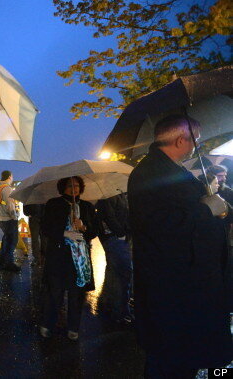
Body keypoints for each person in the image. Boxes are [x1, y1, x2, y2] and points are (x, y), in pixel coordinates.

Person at [128, 114, 233, 378]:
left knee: (184, 356)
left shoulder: (173, 169)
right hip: (175, 289)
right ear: (180, 139)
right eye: (195, 140)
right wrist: (205, 210)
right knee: (170, 359)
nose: (197, 145)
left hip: (190, 283)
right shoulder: (150, 172)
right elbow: (156, 225)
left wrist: (212, 202)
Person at [39, 176, 97, 341]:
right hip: (59, 257)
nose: (74, 188)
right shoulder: (53, 204)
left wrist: (83, 227)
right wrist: (64, 233)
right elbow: (45, 228)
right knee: (55, 293)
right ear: (63, 187)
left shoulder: (86, 206)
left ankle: (73, 328)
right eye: (70, 185)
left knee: (76, 295)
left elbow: (94, 231)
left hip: (80, 260)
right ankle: (47, 325)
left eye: (77, 185)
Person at [95, 193, 132, 324]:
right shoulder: (108, 195)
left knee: (114, 271)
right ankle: (121, 312)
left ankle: (108, 305)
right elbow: (109, 216)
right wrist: (121, 233)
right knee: (123, 273)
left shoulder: (120, 193)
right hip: (114, 238)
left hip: (119, 237)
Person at [0, 170, 21, 272]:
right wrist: (14, 216)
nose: (12, 178)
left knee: (6, 240)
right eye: (12, 176)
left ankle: (2, 262)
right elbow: (10, 205)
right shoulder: (7, 189)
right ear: (9, 177)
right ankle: (9, 264)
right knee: (12, 242)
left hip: (2, 218)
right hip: (9, 219)